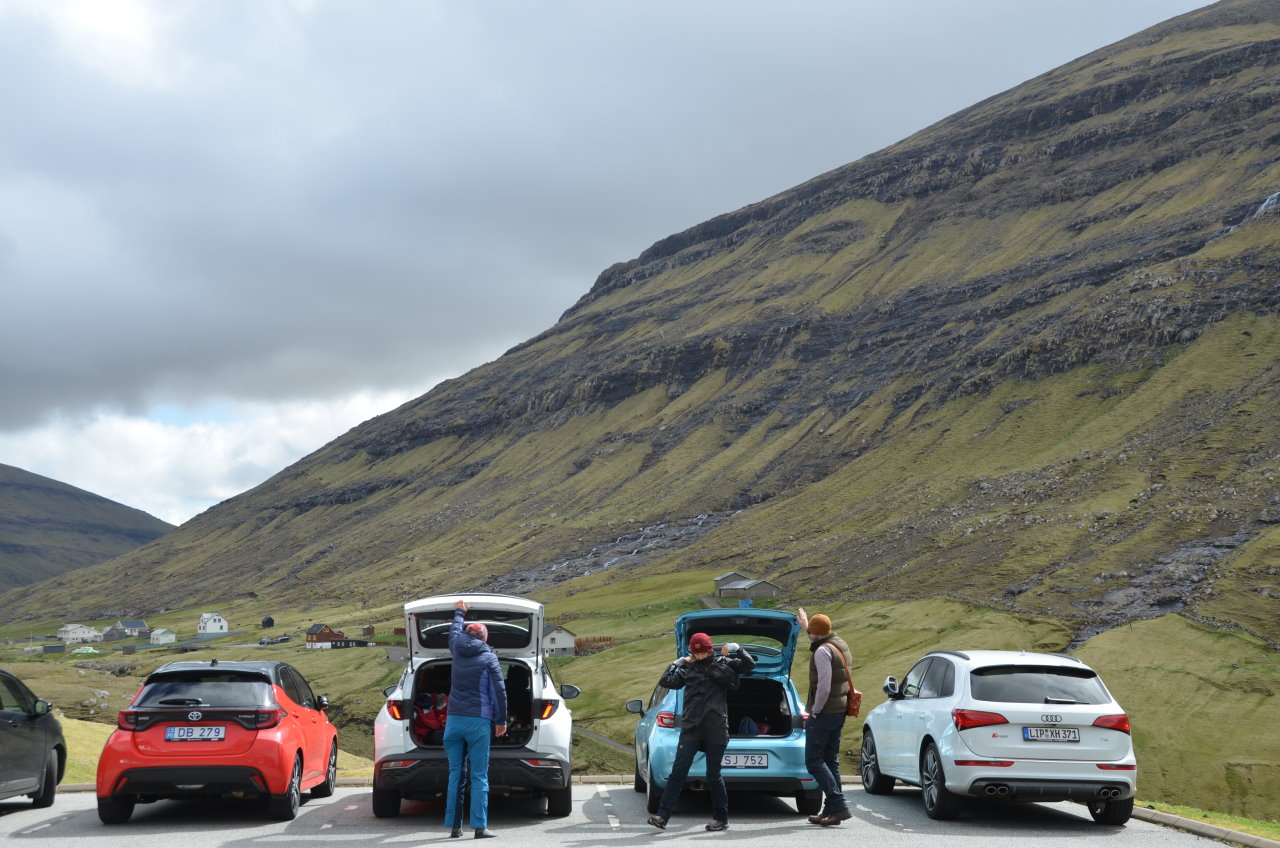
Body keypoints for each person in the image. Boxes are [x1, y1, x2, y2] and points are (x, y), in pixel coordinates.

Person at [647, 633, 755, 832]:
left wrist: (737, 648)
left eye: (704, 652)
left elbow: (749, 665)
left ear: (709, 649)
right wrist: (676, 663)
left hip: (715, 727)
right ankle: (662, 816)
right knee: (678, 772)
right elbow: (666, 681)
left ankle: (721, 818)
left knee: (713, 775)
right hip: (691, 727)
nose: (700, 656)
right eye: (696, 653)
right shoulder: (687, 668)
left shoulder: (723, 662)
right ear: (692, 652)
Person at [445, 599, 508, 839]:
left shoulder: (455, 647)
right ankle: (480, 827)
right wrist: (501, 720)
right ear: (485, 638)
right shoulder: (489, 657)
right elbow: (499, 691)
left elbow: (453, 630)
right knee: (479, 774)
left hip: (453, 721)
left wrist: (460, 611)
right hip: (478, 722)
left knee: (455, 774)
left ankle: (455, 828)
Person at [798, 607, 853, 826]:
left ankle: (839, 805)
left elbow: (824, 686)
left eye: (810, 631)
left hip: (825, 712)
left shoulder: (822, 652)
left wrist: (815, 711)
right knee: (831, 761)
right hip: (839, 712)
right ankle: (831, 811)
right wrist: (805, 627)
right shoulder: (839, 643)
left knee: (813, 761)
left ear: (816, 633)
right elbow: (817, 637)